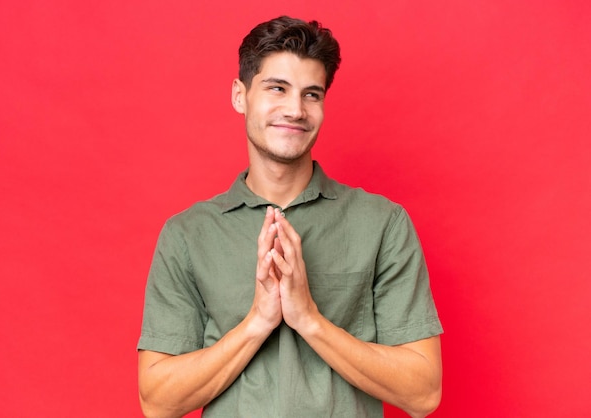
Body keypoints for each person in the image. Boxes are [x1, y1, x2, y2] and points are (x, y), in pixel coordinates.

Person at [137, 15, 443, 418]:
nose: (295, 109)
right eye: (277, 88)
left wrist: (310, 319)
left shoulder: (384, 223)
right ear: (240, 95)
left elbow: (423, 394)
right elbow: (157, 402)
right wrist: (257, 323)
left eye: (311, 94)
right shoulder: (187, 235)